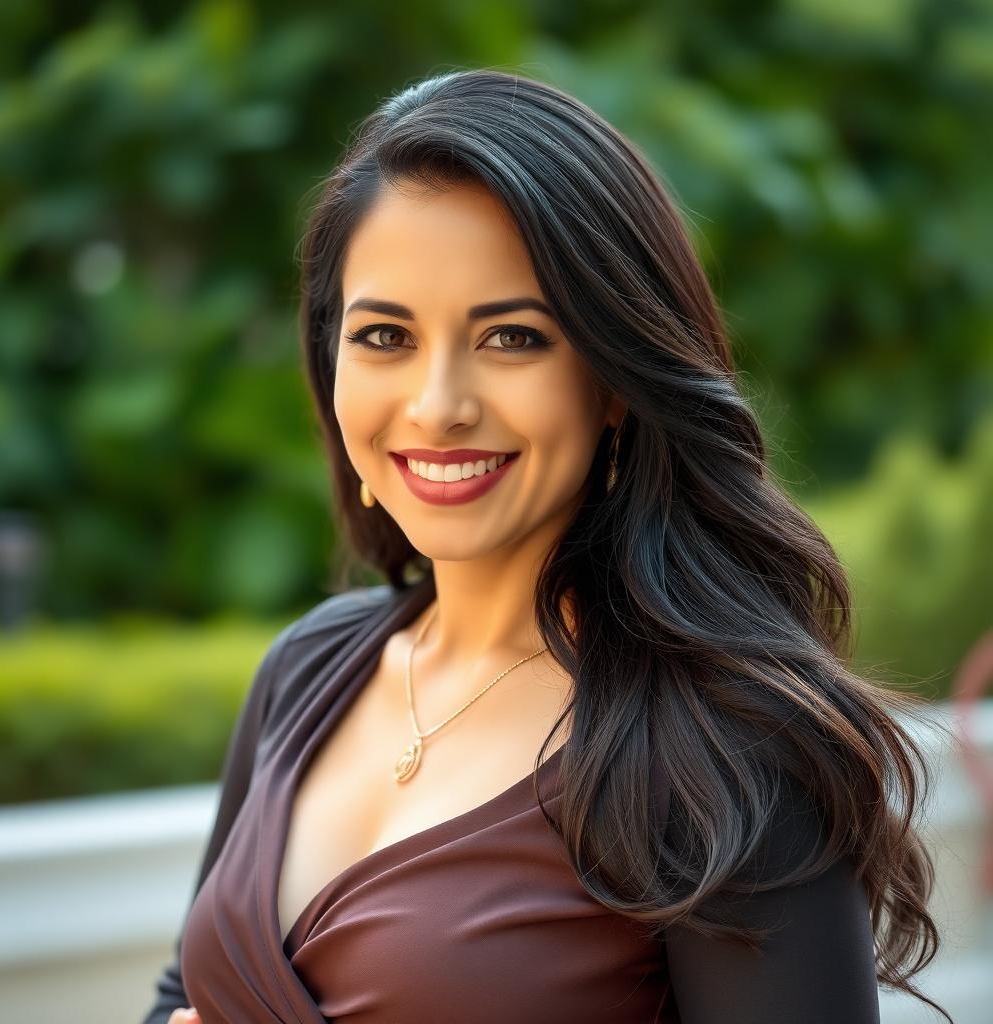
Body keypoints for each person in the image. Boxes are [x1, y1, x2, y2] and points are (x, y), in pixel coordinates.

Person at [143, 68, 952, 1024]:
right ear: (331, 366)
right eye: (385, 335)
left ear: (614, 378)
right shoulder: (306, 669)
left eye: (513, 338)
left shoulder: (724, 749)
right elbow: (182, 998)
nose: (439, 406)